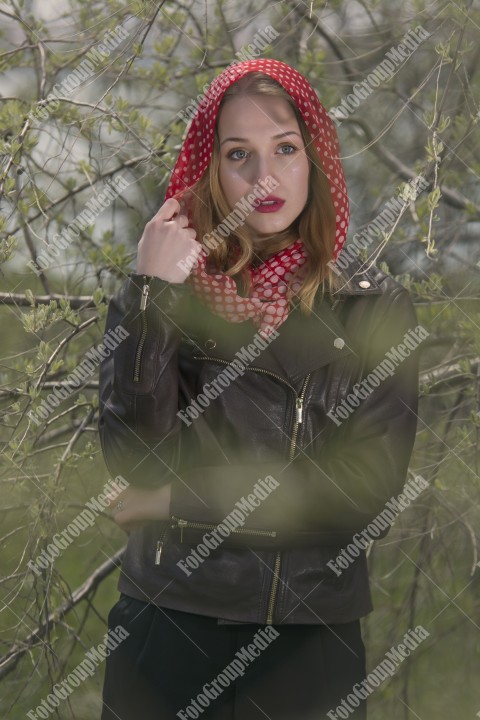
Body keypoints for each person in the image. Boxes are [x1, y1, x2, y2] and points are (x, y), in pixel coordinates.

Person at [98, 59, 419, 720]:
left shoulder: (372, 308)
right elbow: (137, 458)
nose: (262, 177)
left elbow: (363, 493)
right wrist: (153, 293)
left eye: (285, 149)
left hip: (312, 643)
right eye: (238, 153)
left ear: (317, 160)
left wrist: (177, 501)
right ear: (210, 168)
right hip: (168, 627)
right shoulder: (164, 293)